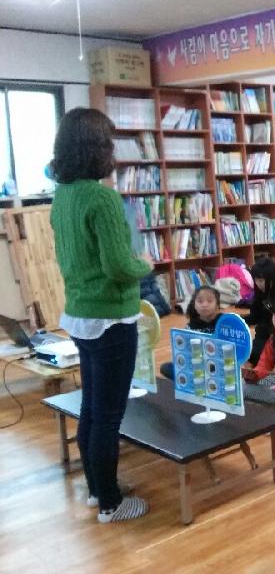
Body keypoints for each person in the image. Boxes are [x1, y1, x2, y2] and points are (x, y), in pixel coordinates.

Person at [50, 107, 152, 523]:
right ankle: (111, 503)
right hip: (111, 318)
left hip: (80, 315)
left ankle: (97, 490)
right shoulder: (103, 198)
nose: (113, 149)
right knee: (108, 416)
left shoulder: (63, 195)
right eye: (109, 142)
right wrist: (145, 264)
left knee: (92, 408)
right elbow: (119, 266)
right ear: (97, 148)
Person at [159, 285, 222, 380]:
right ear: (195, 305)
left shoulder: (223, 323)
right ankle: (193, 378)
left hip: (217, 365)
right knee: (166, 367)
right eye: (200, 301)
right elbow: (184, 352)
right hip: (196, 366)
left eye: (209, 301)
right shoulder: (190, 327)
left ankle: (195, 379)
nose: (204, 305)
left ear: (217, 306)